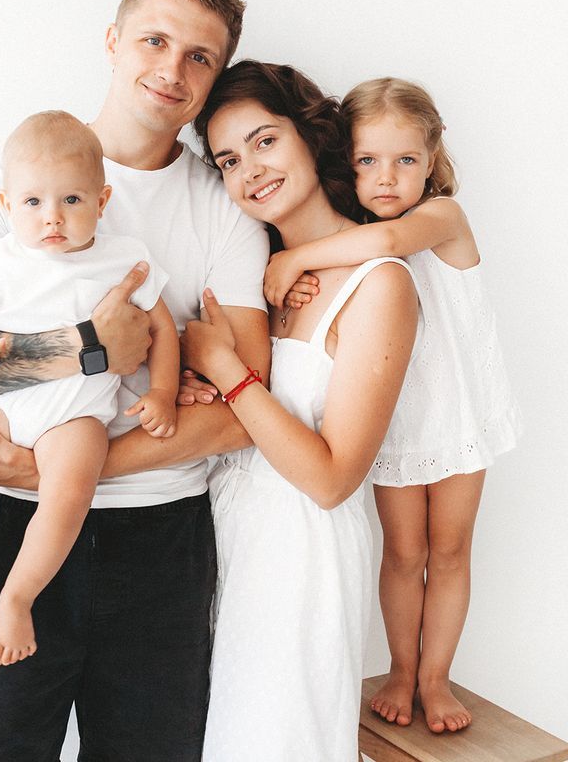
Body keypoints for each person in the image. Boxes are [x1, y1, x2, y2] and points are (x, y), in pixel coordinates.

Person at [0, 0, 271, 762]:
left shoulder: (226, 208)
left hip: (160, 546)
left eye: (198, 57)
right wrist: (88, 350)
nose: (171, 70)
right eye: (155, 40)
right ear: (112, 41)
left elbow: (246, 411)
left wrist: (66, 471)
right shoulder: (15, 173)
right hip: (6, 527)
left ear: (213, 79)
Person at [262, 77, 521, 734]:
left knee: (452, 547)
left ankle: (436, 678)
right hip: (398, 423)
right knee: (404, 552)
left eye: (405, 160)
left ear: (431, 159)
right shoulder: (343, 241)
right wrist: (298, 281)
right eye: (367, 161)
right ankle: (404, 671)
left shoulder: (441, 218)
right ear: (345, 164)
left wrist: (292, 260)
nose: (387, 177)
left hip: (460, 412)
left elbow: (388, 244)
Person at [183, 60, 420, 761]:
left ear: (310, 135)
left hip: (303, 556)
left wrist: (225, 368)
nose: (249, 170)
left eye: (264, 141)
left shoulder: (380, 286)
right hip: (224, 532)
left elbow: (330, 478)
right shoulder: (248, 273)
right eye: (228, 159)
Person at [0, 111, 179, 669]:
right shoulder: (0, 259)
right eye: (33, 203)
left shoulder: (124, 259)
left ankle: (17, 596)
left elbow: (162, 328)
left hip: (75, 416)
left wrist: (165, 393)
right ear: (8, 206)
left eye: (71, 201)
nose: (51, 217)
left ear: (101, 202)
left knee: (66, 495)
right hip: (2, 406)